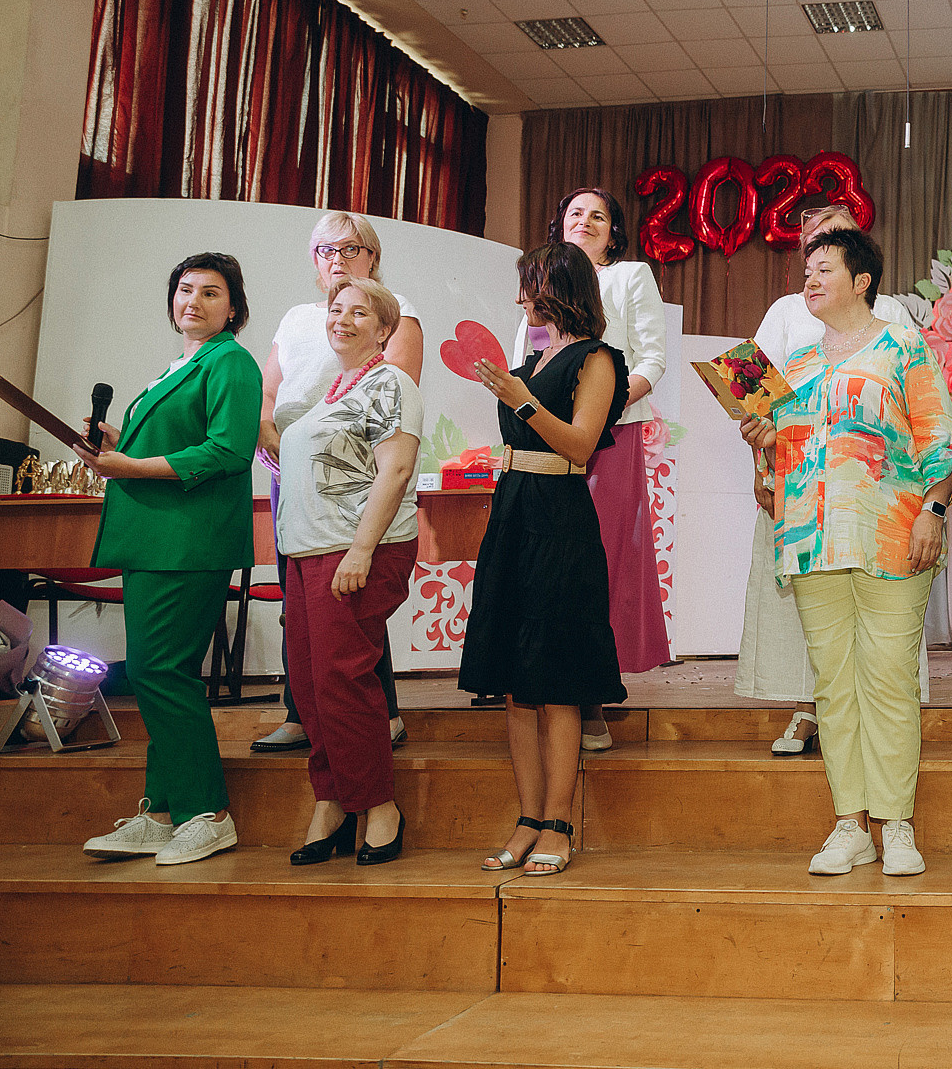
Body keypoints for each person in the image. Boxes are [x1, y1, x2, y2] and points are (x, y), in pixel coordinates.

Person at [740, 227, 952, 877]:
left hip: (894, 537)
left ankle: (896, 824)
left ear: (862, 280)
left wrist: (933, 510)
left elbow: (942, 444)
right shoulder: (800, 362)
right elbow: (781, 462)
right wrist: (762, 441)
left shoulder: (901, 346)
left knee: (888, 681)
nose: (809, 280)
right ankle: (850, 825)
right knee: (835, 688)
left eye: (823, 269)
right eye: (806, 270)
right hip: (812, 544)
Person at [78, 253, 261, 867]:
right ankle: (161, 811)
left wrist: (127, 466)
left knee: (161, 673)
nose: (194, 302)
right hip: (155, 538)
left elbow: (227, 452)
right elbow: (171, 443)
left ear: (232, 307)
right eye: (185, 290)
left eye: (211, 293)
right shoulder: (180, 364)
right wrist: (118, 445)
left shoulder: (230, 361)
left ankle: (207, 813)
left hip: (189, 541)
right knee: (158, 675)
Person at [461, 243, 631, 876]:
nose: (519, 299)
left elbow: (581, 444)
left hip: (560, 519)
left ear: (558, 287)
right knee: (514, 684)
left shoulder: (596, 359)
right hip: (513, 515)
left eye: (528, 285)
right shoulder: (535, 357)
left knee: (555, 682)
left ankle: (560, 821)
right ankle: (527, 818)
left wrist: (520, 397)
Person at [738, 204, 919, 758]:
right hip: (799, 490)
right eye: (811, 242)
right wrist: (759, 469)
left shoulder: (890, 313)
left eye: (834, 238)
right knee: (805, 607)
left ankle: (872, 718)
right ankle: (805, 707)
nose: (819, 251)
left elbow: (919, 408)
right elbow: (757, 397)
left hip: (873, 495)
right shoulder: (787, 311)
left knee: (875, 619)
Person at [253, 212, 420, 754]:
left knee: (351, 599)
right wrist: (269, 438)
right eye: (327, 250)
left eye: (351, 249)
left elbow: (391, 400)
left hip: (351, 477)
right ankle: (302, 712)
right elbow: (269, 394)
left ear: (373, 257)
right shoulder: (299, 317)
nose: (338, 259)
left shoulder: (398, 314)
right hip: (289, 467)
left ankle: (380, 715)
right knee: (300, 603)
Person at [516, 188, 676, 752]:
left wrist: (599, 405)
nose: (586, 222)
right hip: (546, 437)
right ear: (559, 224)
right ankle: (549, 687)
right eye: (575, 214)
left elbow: (653, 358)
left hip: (610, 435)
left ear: (615, 233)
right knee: (547, 564)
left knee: (598, 563)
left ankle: (589, 698)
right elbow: (530, 361)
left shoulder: (631, 277)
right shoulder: (539, 280)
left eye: (599, 216)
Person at [276, 278, 422, 867]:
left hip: (354, 550)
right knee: (311, 686)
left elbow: (396, 469)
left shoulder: (391, 382)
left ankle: (379, 806)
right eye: (336, 310)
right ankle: (332, 798)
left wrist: (362, 550)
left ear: (385, 329)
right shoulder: (335, 391)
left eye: (360, 312)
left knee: (344, 680)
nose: (343, 319)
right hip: (310, 553)